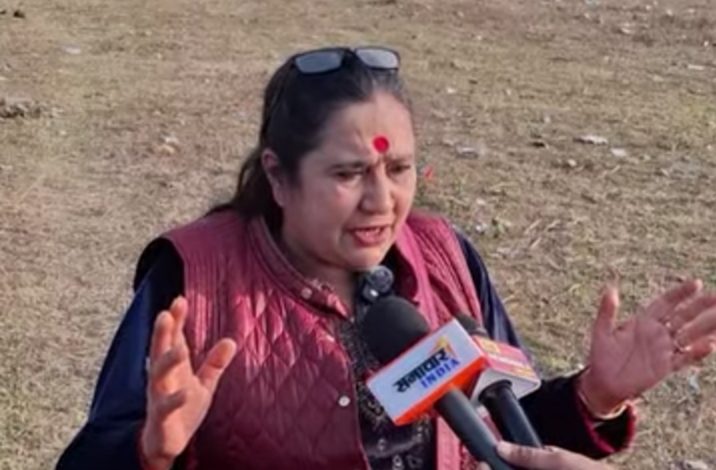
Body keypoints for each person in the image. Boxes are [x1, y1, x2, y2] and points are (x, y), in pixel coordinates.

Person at [57, 46, 716, 470]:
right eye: (348, 174)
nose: (382, 201)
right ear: (279, 177)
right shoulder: (193, 276)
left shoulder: (446, 256)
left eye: (398, 168)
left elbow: (507, 432)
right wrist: (149, 452)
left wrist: (593, 396)